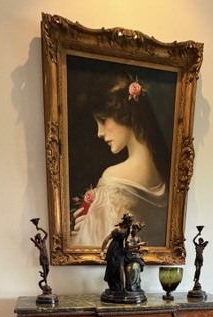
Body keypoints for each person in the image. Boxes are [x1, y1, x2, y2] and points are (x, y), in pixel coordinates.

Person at [71, 70, 170, 248]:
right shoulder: (164, 176)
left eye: (103, 120)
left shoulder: (112, 179)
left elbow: (100, 250)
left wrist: (85, 230)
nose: (99, 133)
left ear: (124, 114)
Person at [100, 213, 134, 291]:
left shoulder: (128, 228)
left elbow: (127, 240)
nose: (131, 223)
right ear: (126, 221)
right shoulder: (117, 229)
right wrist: (102, 250)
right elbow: (107, 239)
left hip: (121, 249)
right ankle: (120, 286)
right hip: (114, 249)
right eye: (130, 221)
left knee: (121, 267)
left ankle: (123, 287)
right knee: (115, 268)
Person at [124, 221, 146, 292]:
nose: (134, 230)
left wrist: (141, 250)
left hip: (136, 258)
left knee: (135, 268)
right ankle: (129, 287)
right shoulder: (128, 237)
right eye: (133, 228)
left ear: (138, 230)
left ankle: (135, 287)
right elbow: (128, 247)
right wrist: (139, 244)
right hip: (128, 258)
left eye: (136, 229)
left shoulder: (138, 239)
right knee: (128, 269)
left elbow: (138, 250)